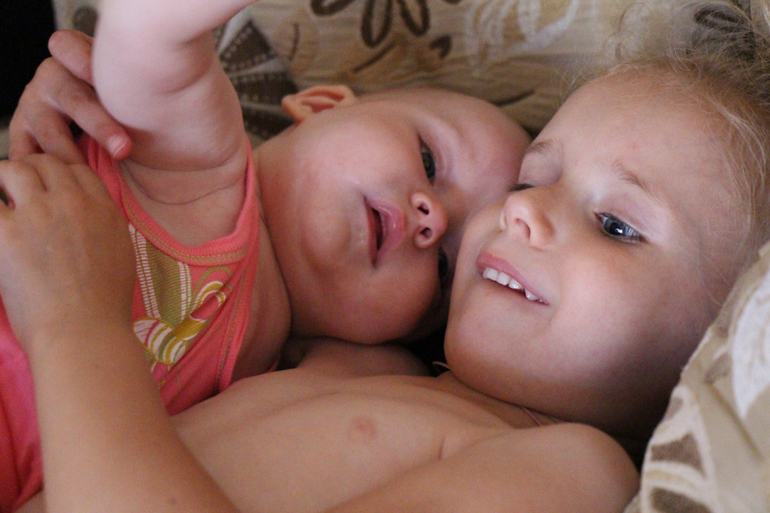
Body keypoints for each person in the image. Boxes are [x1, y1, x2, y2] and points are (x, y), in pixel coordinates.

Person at [5, 2, 770, 512]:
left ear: (727, 345)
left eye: (616, 225)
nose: (521, 210)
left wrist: (74, 320)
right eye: (530, 180)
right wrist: (97, 105)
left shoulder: (573, 472)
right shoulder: (342, 352)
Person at [0, 0, 531, 509]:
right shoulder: (197, 161)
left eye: (444, 270)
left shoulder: (298, 383)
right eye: (429, 160)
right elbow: (148, 28)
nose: (433, 219)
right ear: (321, 107)